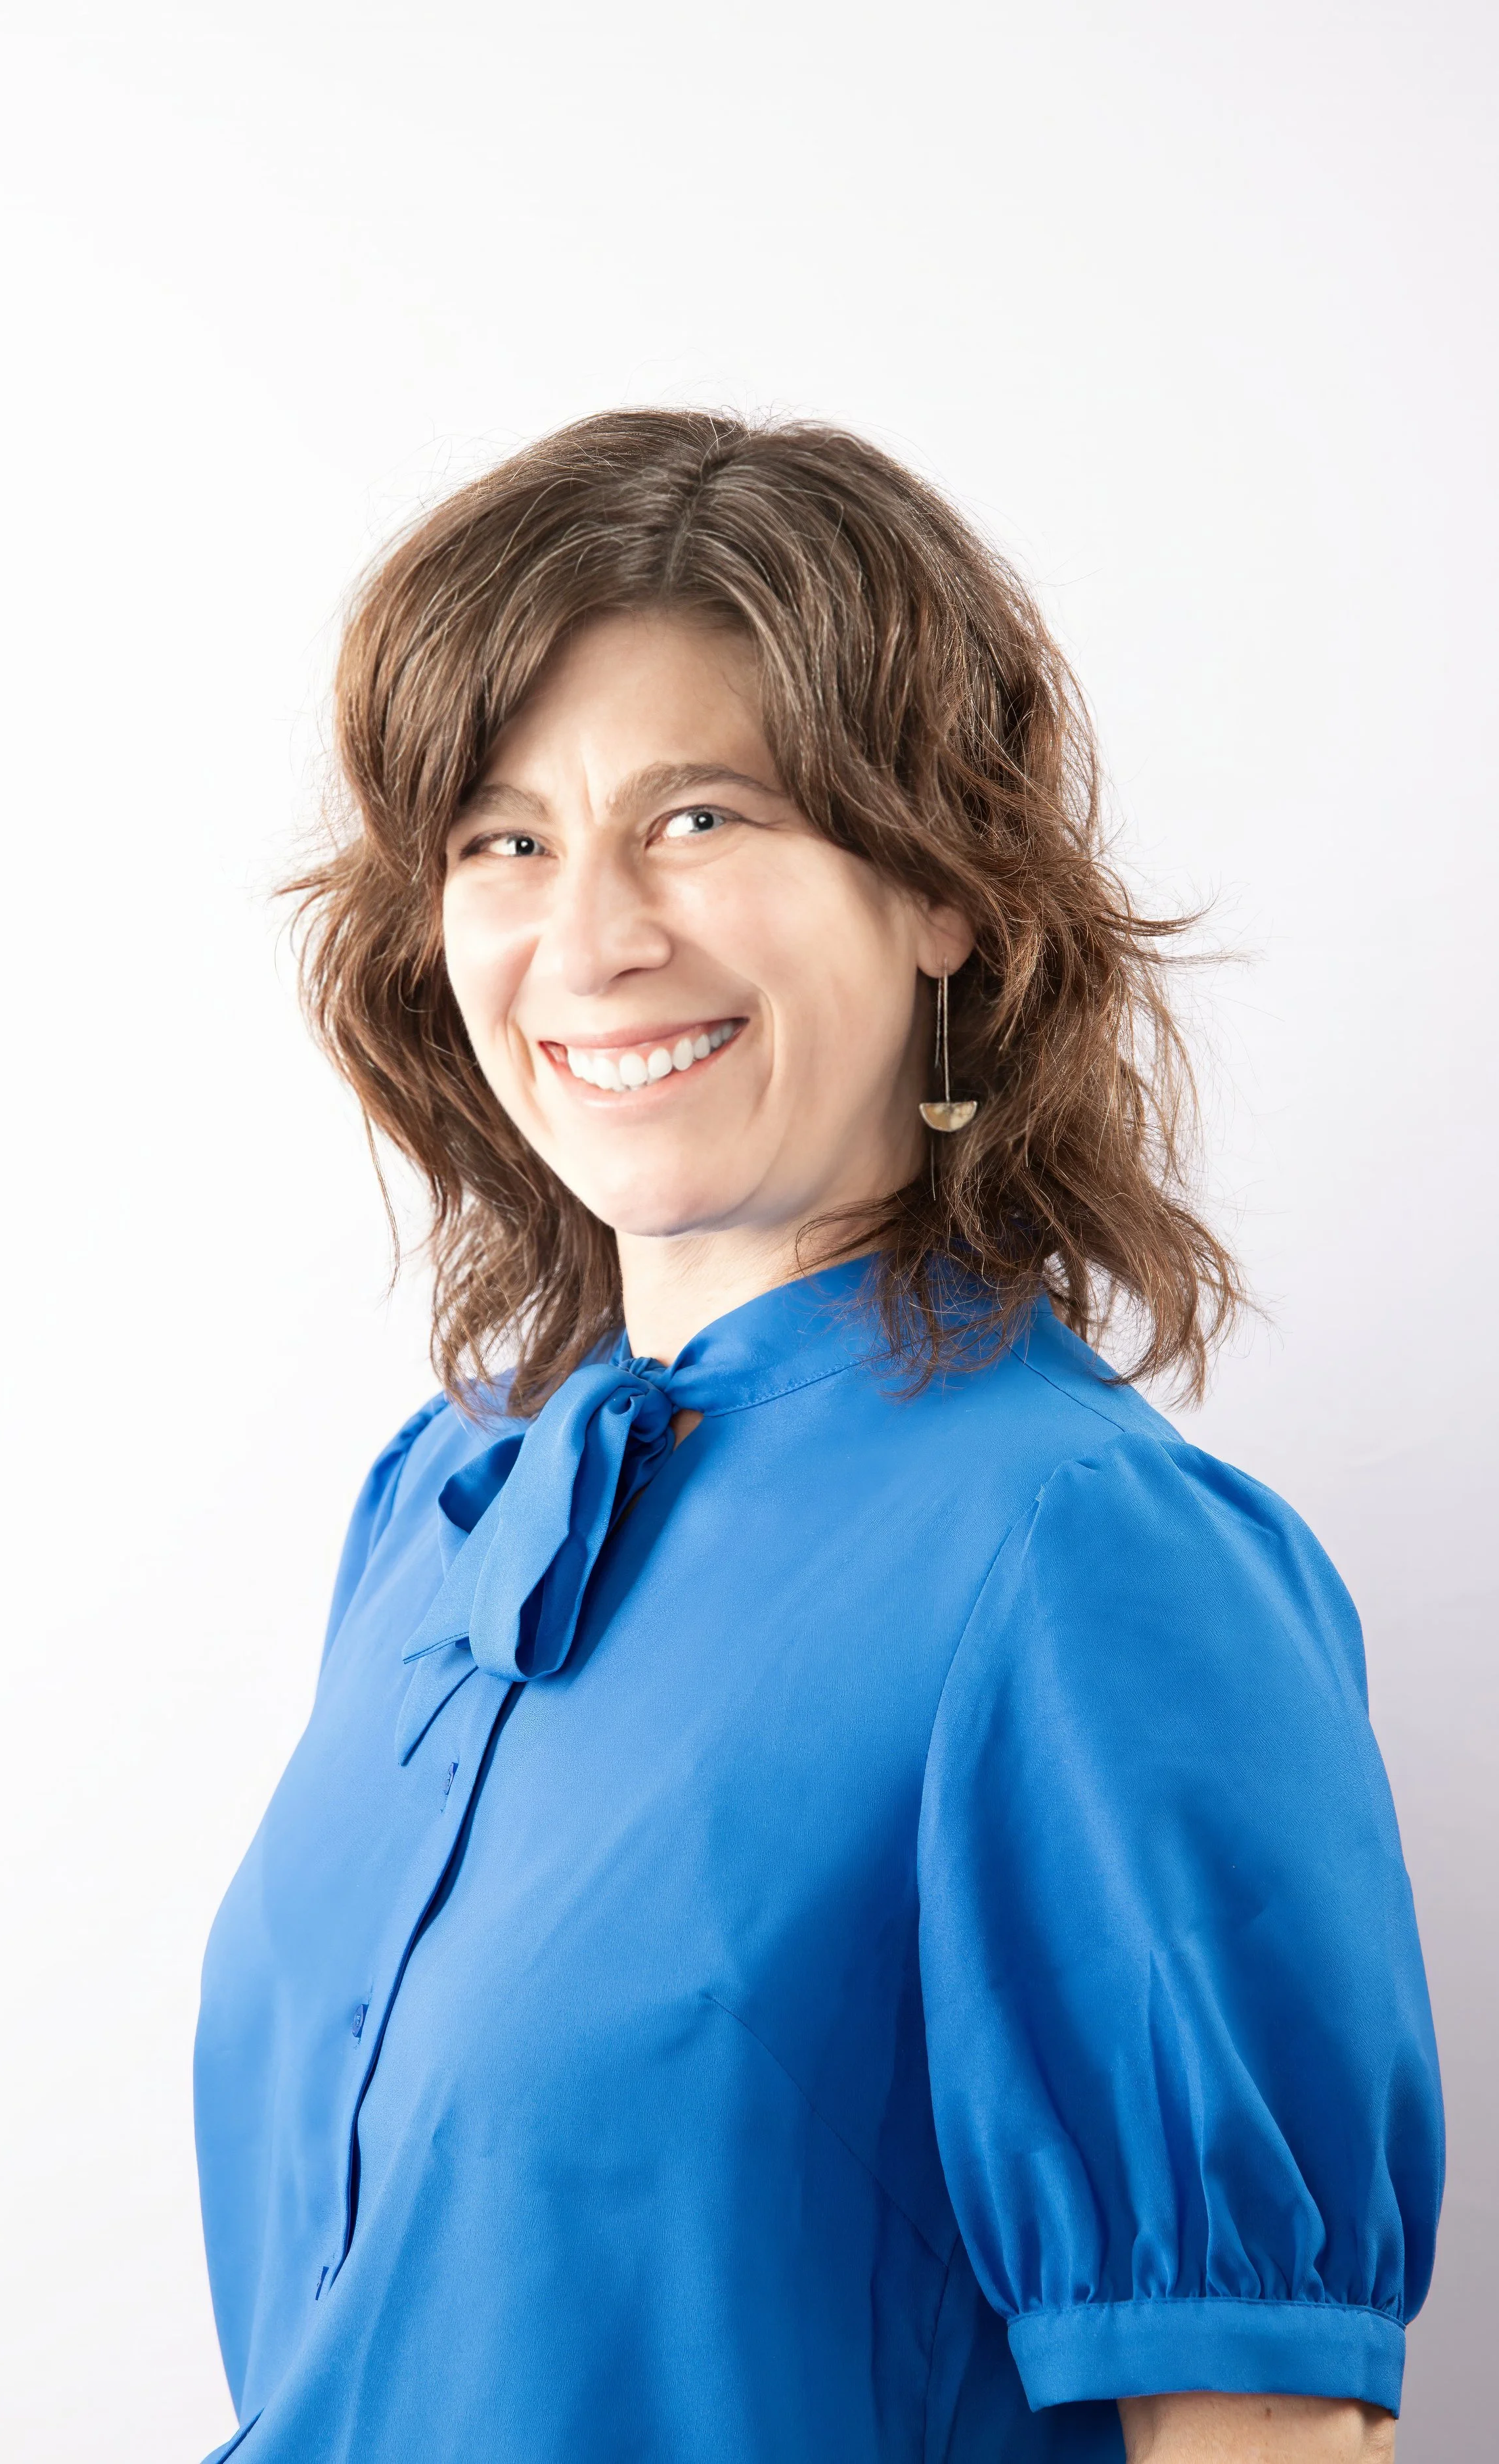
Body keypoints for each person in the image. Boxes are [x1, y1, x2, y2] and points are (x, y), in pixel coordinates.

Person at [192, 412, 1441, 2463]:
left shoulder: (1081, 1558)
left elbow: (1258, 2430)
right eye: (503, 839)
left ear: (939, 884)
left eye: (696, 816)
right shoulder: (436, 1504)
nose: (589, 936)